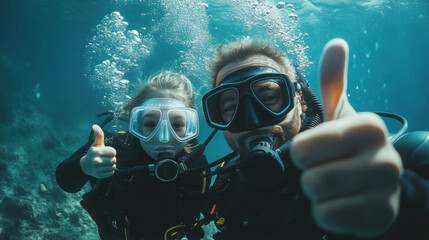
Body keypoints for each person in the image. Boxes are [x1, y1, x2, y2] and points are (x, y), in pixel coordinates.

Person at [201, 38, 429, 240]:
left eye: (269, 97)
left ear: (299, 101)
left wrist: (410, 202)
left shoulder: (403, 157)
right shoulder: (227, 188)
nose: (252, 120)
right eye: (231, 106)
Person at [56, 72, 211, 240]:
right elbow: (65, 181)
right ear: (135, 124)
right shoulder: (114, 147)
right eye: (151, 124)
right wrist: (85, 165)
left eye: (178, 124)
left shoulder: (197, 163)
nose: (164, 137)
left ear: (190, 127)